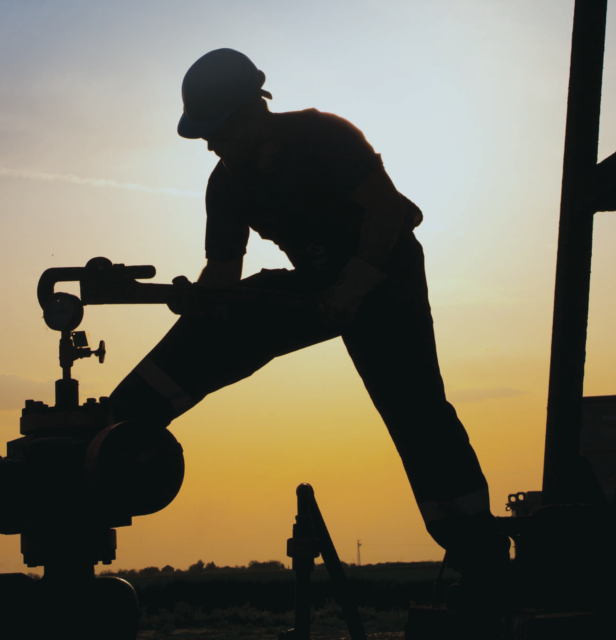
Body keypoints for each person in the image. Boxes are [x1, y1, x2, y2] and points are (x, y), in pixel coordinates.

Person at [110, 48, 510, 611]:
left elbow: (386, 210)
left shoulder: (326, 137)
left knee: (414, 408)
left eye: (215, 131)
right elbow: (225, 277)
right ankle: (121, 425)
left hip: (385, 276)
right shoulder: (225, 185)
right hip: (317, 284)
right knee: (231, 318)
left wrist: (353, 288)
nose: (209, 144)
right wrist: (200, 301)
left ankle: (483, 558)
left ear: (251, 113)